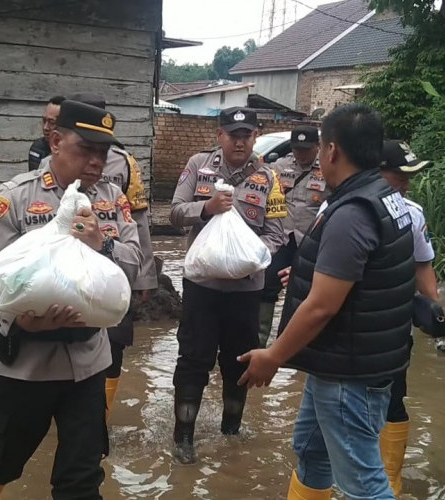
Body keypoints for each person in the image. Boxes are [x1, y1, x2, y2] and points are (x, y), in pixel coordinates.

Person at [238, 103, 415, 500]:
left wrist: (274, 356)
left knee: (363, 484)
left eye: (320, 147)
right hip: (347, 362)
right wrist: (301, 271)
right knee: (312, 453)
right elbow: (366, 278)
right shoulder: (385, 196)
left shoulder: (353, 212)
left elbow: (323, 305)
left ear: (332, 150)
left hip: (348, 373)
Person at [0, 100, 142, 500]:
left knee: (81, 476)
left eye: (104, 153)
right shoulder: (13, 198)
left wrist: (103, 246)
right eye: (87, 150)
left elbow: (135, 263)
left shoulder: (112, 201)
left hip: (87, 362)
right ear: (56, 141)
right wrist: (22, 321)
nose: (97, 162)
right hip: (22, 363)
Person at [170, 106, 285, 464]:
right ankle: (183, 438)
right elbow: (174, 213)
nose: (240, 141)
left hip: (246, 290)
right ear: (220, 135)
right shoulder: (198, 165)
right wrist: (205, 209)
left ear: (255, 136)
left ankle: (231, 433)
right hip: (202, 287)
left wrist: (247, 258)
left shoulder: (269, 177)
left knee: (239, 363)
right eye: (232, 134)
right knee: (193, 358)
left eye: (246, 135)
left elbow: (278, 234)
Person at [68, 92, 158, 421]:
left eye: (102, 150)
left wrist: (145, 277)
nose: (96, 159)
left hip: (111, 279)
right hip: (65, 287)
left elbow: (139, 223)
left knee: (114, 347)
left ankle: (98, 424)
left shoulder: (125, 165)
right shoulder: (47, 168)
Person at [378, 139, 439, 496]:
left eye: (410, 176)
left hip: (395, 324)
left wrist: (434, 308)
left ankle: (390, 481)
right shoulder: (349, 208)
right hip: (352, 325)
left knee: (393, 397)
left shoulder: (412, 213)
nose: (406, 183)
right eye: (399, 174)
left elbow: (423, 265)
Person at [258, 125, 328, 347]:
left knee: (309, 290)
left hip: (311, 242)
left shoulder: (327, 170)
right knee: (267, 282)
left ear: (318, 147)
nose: (301, 154)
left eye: (306, 149)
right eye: (297, 149)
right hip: (283, 238)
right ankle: (259, 341)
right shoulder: (279, 167)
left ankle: (303, 345)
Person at [28, 95, 65, 171]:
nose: (45, 127)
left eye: (52, 122)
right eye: (44, 121)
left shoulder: (73, 152)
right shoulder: (38, 148)